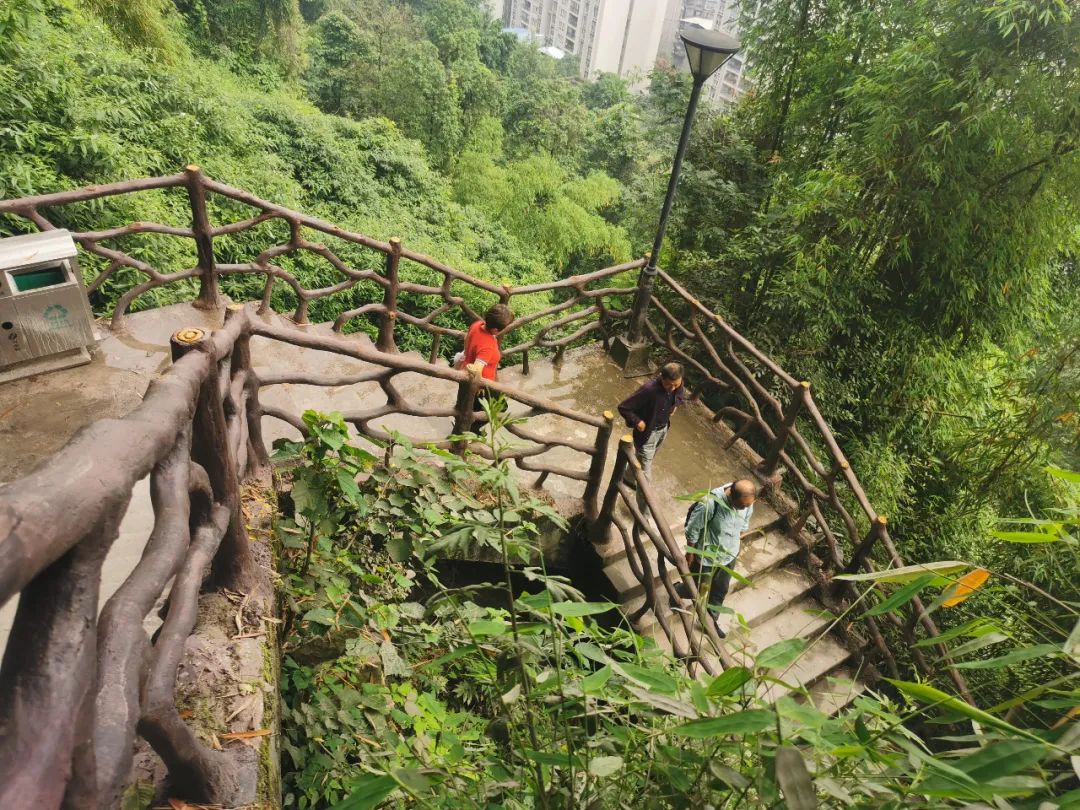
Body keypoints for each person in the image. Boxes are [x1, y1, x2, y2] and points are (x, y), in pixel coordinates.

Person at [677, 479, 757, 636]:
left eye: (747, 505)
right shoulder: (710, 503)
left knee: (720, 589)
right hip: (707, 556)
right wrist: (690, 552)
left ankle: (710, 622)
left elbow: (744, 522)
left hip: (729, 555)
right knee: (697, 587)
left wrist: (736, 539)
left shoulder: (747, 502)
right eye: (741, 505)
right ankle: (677, 590)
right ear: (731, 497)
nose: (744, 508)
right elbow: (692, 529)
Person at [617, 362, 685, 483]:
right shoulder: (649, 390)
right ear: (662, 378)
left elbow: (680, 392)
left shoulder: (676, 384)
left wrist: (676, 404)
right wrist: (637, 421)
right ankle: (645, 499)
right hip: (647, 434)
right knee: (645, 474)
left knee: (643, 459)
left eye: (676, 385)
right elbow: (623, 407)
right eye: (669, 385)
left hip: (663, 430)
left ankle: (627, 478)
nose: (673, 388)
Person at [454, 303, 514, 412]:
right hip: (482, 385)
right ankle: (473, 427)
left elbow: (467, 340)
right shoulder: (488, 346)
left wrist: (468, 354)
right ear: (495, 330)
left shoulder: (477, 325)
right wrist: (478, 387)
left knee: (467, 406)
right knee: (499, 408)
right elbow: (476, 369)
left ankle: (464, 420)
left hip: (466, 368)